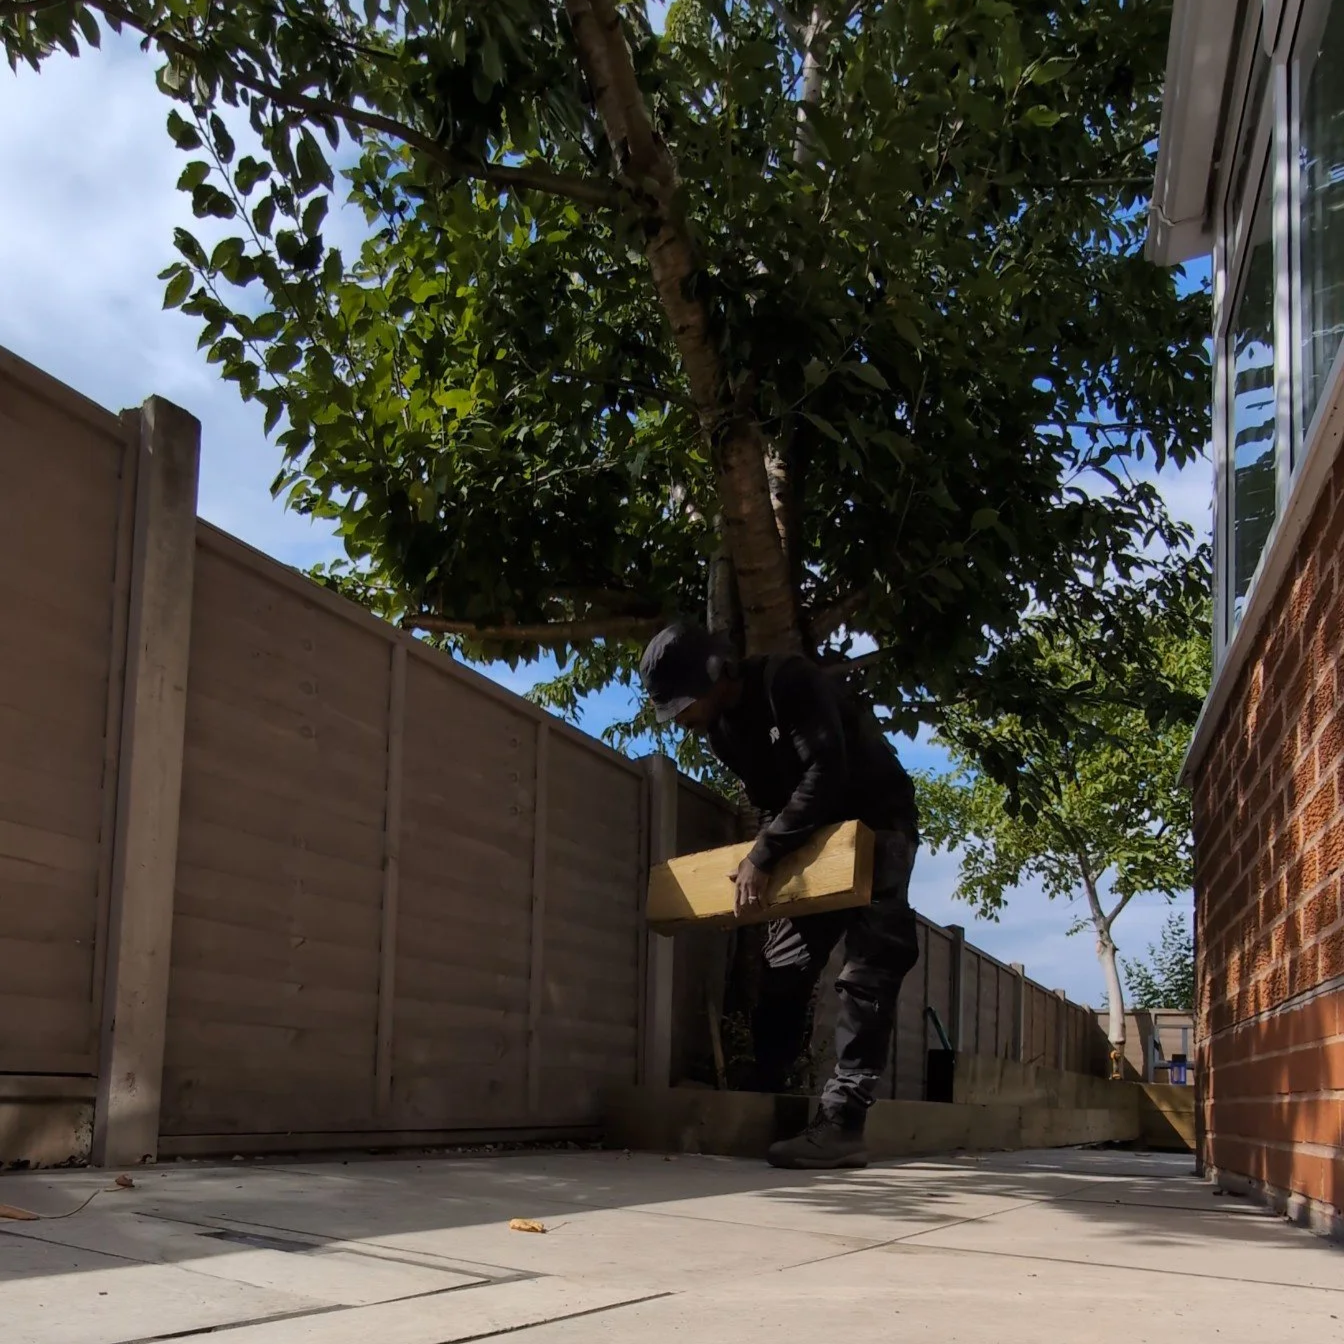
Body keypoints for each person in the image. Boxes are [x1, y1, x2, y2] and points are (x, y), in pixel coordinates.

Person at [639, 620, 921, 1170]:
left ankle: (843, 1124)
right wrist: (748, 885)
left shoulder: (790, 683)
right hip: (811, 841)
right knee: (783, 972)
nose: (684, 722)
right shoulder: (723, 732)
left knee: (868, 973)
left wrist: (764, 857)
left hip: (878, 824)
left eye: (685, 705)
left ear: (718, 674)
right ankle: (761, 1103)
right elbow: (774, 805)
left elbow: (826, 773)